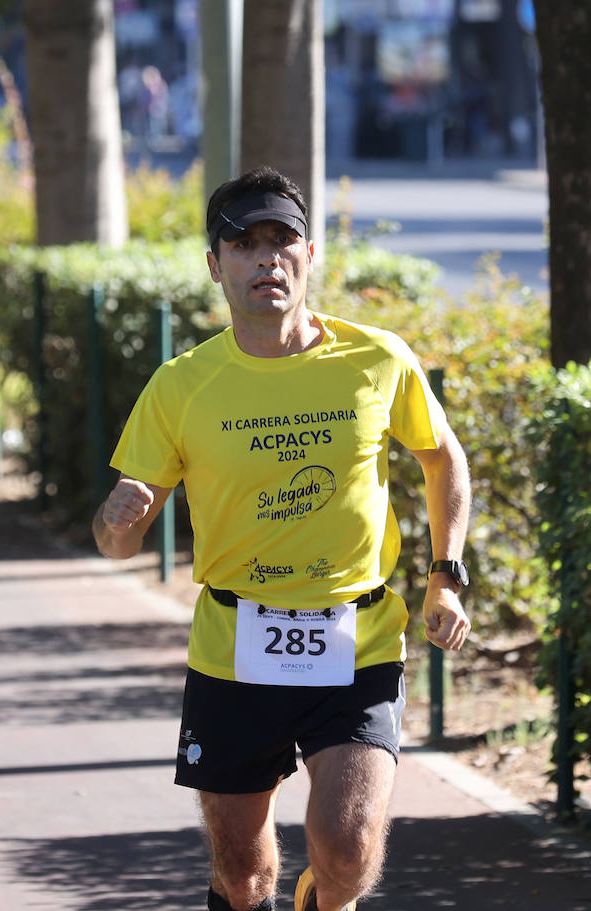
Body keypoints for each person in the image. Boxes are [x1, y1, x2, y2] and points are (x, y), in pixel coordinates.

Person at [92, 166, 472, 911]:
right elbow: (117, 545)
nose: (265, 258)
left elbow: (441, 453)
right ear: (215, 266)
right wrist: (117, 518)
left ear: (309, 255)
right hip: (236, 646)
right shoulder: (181, 385)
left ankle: (325, 899)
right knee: (241, 875)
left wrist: (447, 573)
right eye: (243, 244)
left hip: (356, 636)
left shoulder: (376, 359)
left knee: (349, 845)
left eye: (282, 240)